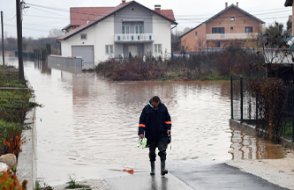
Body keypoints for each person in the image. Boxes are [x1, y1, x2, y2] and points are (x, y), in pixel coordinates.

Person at [138, 96, 172, 176]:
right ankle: (152, 170)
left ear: (158, 102)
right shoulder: (146, 109)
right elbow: (142, 122)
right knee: (152, 153)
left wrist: (168, 129)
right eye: (154, 104)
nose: (155, 105)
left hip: (162, 134)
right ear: (152, 102)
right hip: (150, 134)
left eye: (157, 104)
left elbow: (168, 120)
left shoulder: (163, 107)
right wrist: (141, 132)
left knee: (162, 151)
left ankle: (162, 169)